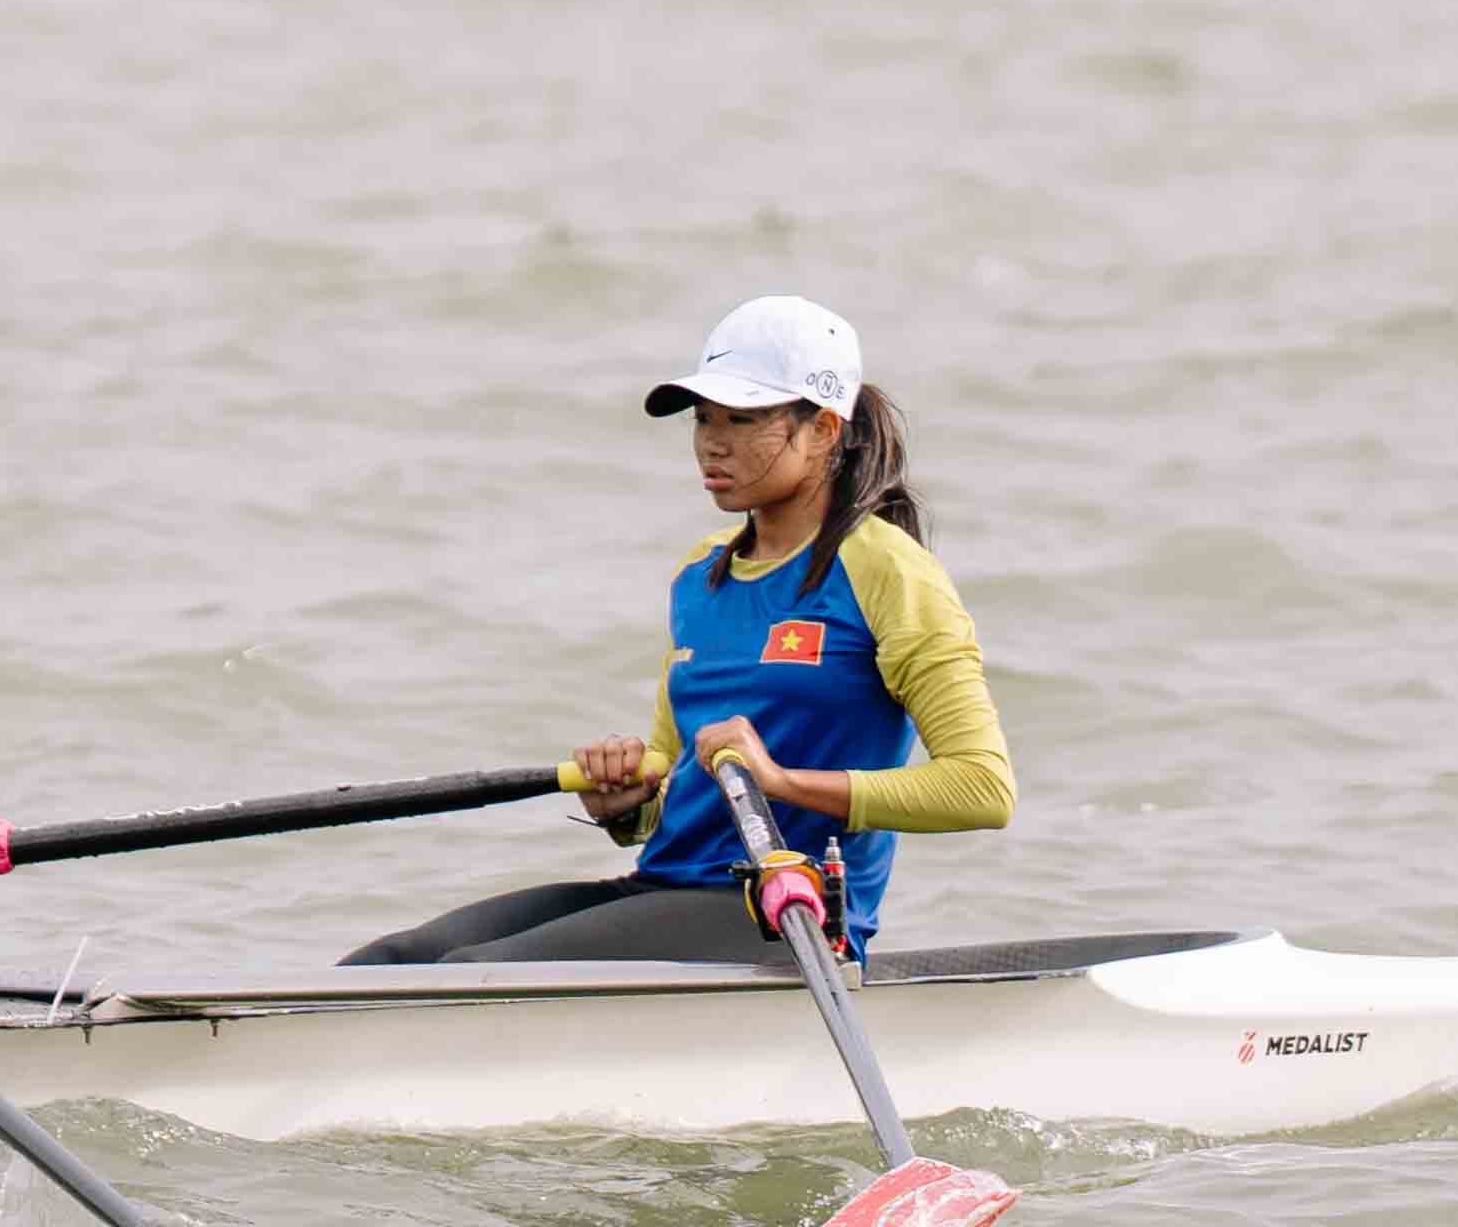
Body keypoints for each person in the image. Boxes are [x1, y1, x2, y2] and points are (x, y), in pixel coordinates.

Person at [349, 291, 1009, 964]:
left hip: (790, 915)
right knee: (389, 961)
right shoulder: (701, 576)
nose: (713, 442)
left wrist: (781, 781)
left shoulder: (890, 571)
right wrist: (627, 802)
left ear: (825, 430)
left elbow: (982, 786)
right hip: (665, 885)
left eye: (745, 417)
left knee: (471, 974)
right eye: (703, 417)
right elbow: (674, 785)